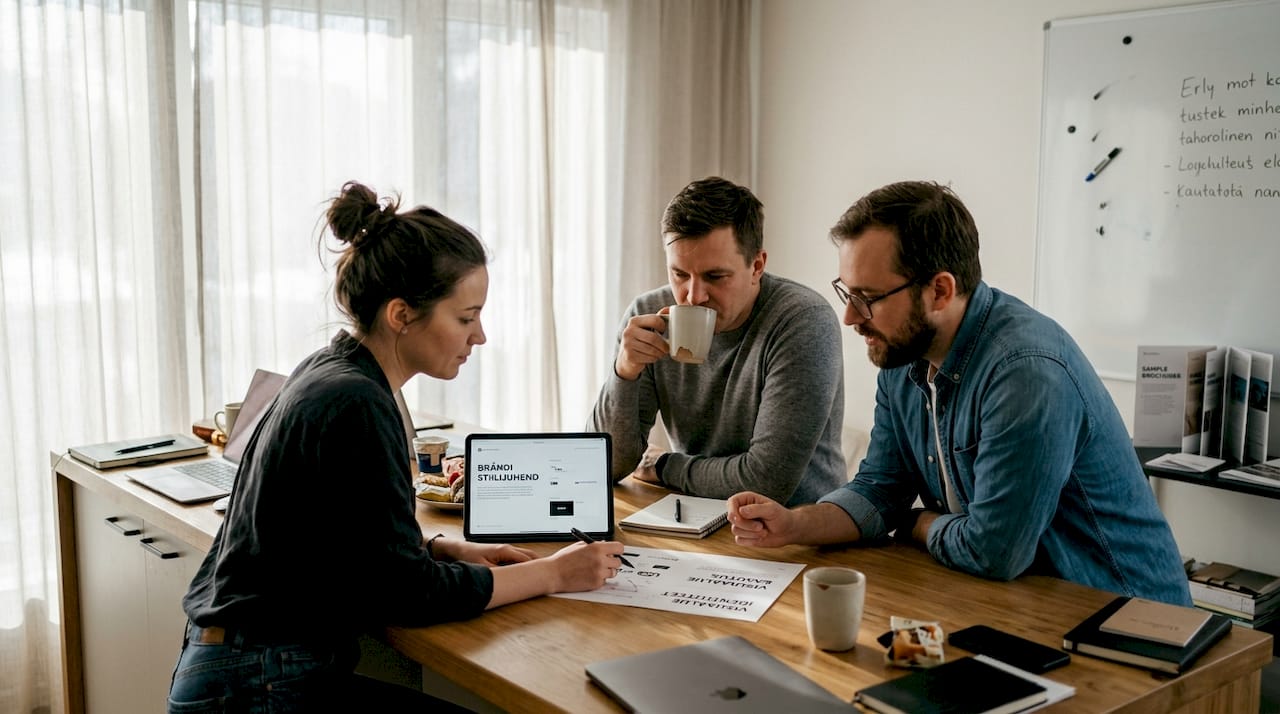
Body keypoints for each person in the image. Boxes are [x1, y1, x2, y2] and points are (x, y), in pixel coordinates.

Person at [168, 181, 624, 712]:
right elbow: (407, 595)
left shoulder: (331, 369)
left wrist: (438, 548)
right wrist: (554, 573)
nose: (479, 337)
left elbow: (344, 547)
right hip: (260, 680)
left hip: (239, 664)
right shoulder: (356, 401)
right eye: (466, 317)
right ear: (401, 315)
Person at [727, 180, 1192, 605]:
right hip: (1025, 601)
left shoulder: (1025, 373)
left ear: (940, 290)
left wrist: (915, 522)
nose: (850, 317)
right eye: (846, 293)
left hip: (1125, 618)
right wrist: (795, 524)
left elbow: (994, 551)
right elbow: (880, 487)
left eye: (866, 297)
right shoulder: (902, 353)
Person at [588, 176, 846, 506]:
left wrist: (666, 465)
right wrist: (624, 372)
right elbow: (604, 467)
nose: (693, 296)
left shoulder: (803, 320)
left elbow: (766, 483)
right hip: (695, 517)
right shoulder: (648, 314)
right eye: (679, 274)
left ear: (757, 266)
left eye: (714, 276)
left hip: (797, 532)